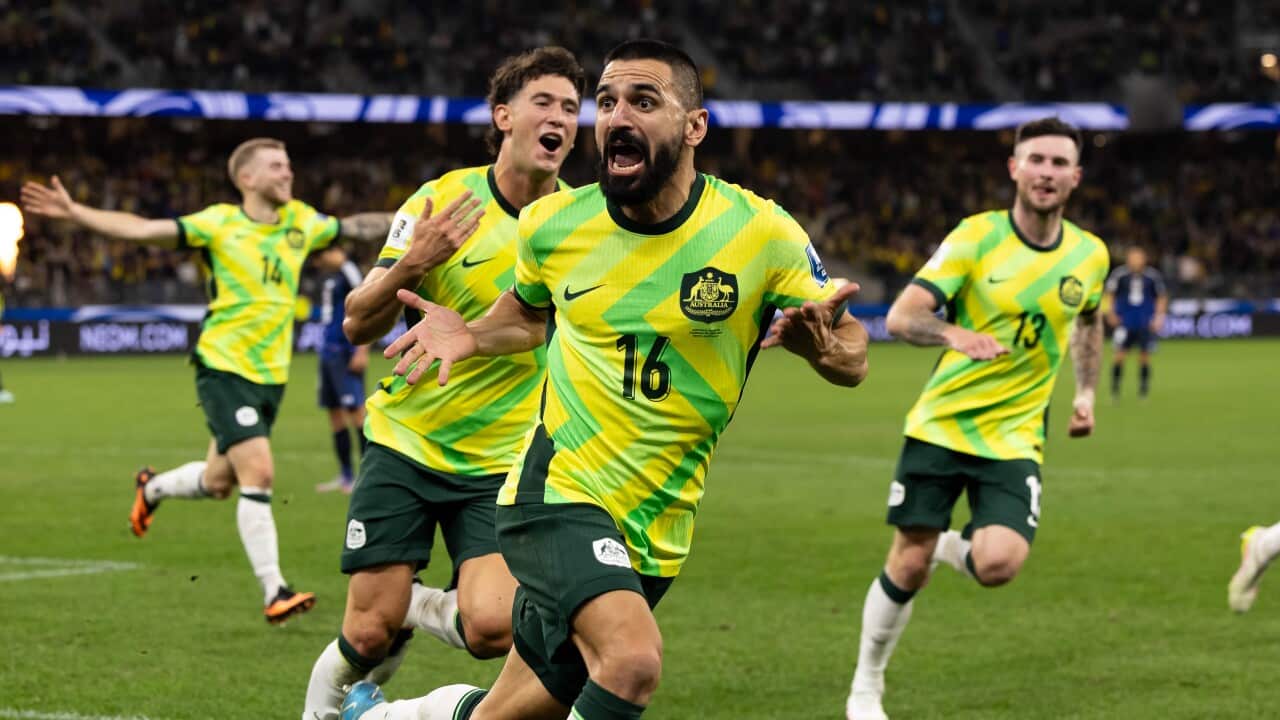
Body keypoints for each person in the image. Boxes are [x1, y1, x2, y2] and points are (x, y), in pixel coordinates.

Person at [340, 39, 869, 720]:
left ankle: (380, 717)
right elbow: (527, 314)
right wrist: (470, 334)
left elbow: (853, 352)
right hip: (558, 492)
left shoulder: (759, 232)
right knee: (631, 662)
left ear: (694, 126)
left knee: (512, 712)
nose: (618, 116)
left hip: (659, 519)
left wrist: (824, 351)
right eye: (607, 102)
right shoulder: (553, 224)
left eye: (644, 101)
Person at [300, 47, 586, 720]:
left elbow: (548, 326)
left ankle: (410, 616)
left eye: (572, 109)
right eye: (544, 102)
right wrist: (412, 263)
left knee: (492, 627)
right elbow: (357, 322)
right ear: (503, 116)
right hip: (407, 440)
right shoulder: (440, 202)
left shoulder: (582, 223)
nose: (560, 118)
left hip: (501, 458)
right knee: (367, 632)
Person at [20, 139, 394, 624]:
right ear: (247, 178)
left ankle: (152, 488)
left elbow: (358, 225)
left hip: (271, 376)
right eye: (276, 166)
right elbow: (143, 230)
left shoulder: (303, 221)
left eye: (288, 165)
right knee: (259, 473)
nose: (288, 173)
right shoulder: (218, 224)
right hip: (223, 365)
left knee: (219, 481)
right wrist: (76, 213)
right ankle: (275, 590)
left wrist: (413, 217)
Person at [845, 117, 1109, 720]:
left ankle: (947, 548)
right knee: (907, 562)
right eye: (1035, 159)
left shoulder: (1090, 254)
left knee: (999, 564)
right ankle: (865, 687)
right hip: (942, 425)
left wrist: (1087, 393)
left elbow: (1090, 322)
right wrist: (954, 334)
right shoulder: (977, 237)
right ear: (1014, 168)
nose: (1046, 172)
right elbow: (903, 317)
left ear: (1076, 177)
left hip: (1015, 436)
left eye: (1059, 162)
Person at [313, 243, 370, 493]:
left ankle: (368, 476)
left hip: (346, 353)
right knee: (334, 414)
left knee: (356, 413)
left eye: (323, 255)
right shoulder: (331, 275)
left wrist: (362, 350)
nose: (320, 261)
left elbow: (367, 307)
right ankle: (346, 475)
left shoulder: (350, 271)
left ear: (335, 251)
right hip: (328, 353)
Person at [1105, 245, 1167, 400]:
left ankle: (1143, 391)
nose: (1135, 261)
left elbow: (1161, 296)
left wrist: (1158, 316)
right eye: (1133, 258)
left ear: (1144, 259)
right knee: (1119, 356)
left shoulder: (1152, 276)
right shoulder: (1119, 275)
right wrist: (1110, 313)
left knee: (1144, 356)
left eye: (1138, 258)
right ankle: (1115, 390)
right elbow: (1109, 294)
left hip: (1144, 321)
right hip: (1124, 322)